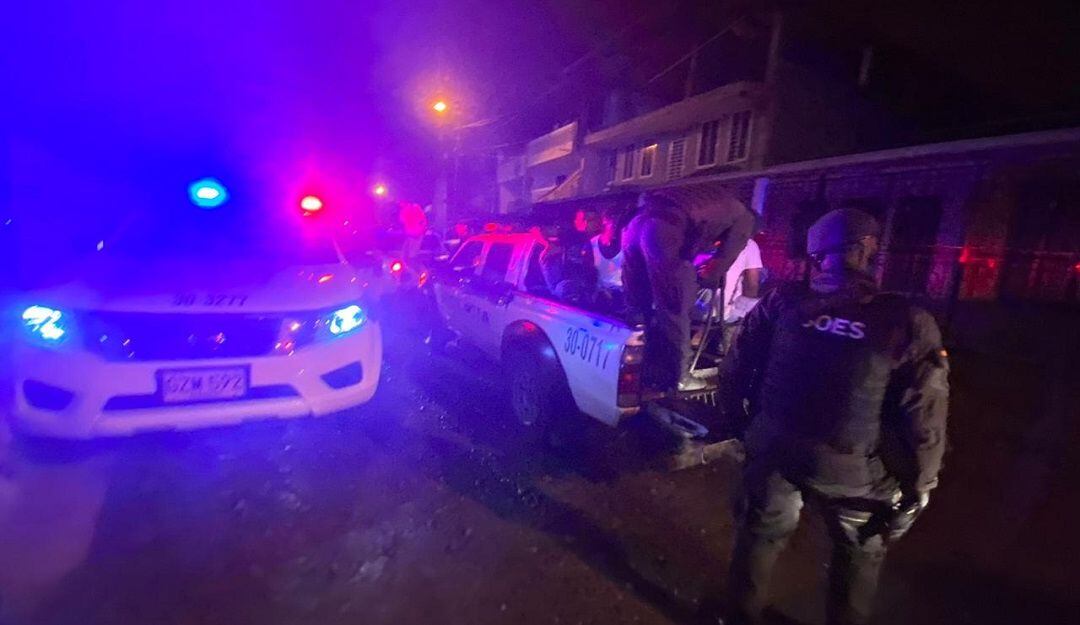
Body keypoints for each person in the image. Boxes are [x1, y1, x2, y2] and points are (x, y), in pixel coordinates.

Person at [721, 208, 950, 625]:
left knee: (759, 535)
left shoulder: (783, 301)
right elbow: (925, 415)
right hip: (853, 470)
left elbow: (737, 365)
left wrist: (742, 426)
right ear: (867, 251)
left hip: (774, 450)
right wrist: (921, 485)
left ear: (816, 255)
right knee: (858, 554)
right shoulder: (907, 320)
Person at [621, 189, 756, 391]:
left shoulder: (714, 202)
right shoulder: (745, 218)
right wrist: (701, 279)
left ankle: (641, 364)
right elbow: (720, 263)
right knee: (675, 310)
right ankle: (680, 378)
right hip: (664, 229)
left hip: (635, 225)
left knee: (638, 308)